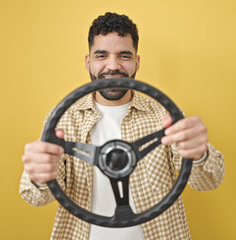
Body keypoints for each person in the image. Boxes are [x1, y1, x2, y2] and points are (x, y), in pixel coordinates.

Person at [20, 12, 225, 240]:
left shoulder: (165, 116)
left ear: (137, 62)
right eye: (101, 55)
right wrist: (39, 174)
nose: (113, 66)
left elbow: (209, 181)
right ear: (88, 62)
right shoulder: (63, 119)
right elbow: (35, 197)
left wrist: (198, 153)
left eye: (124, 56)